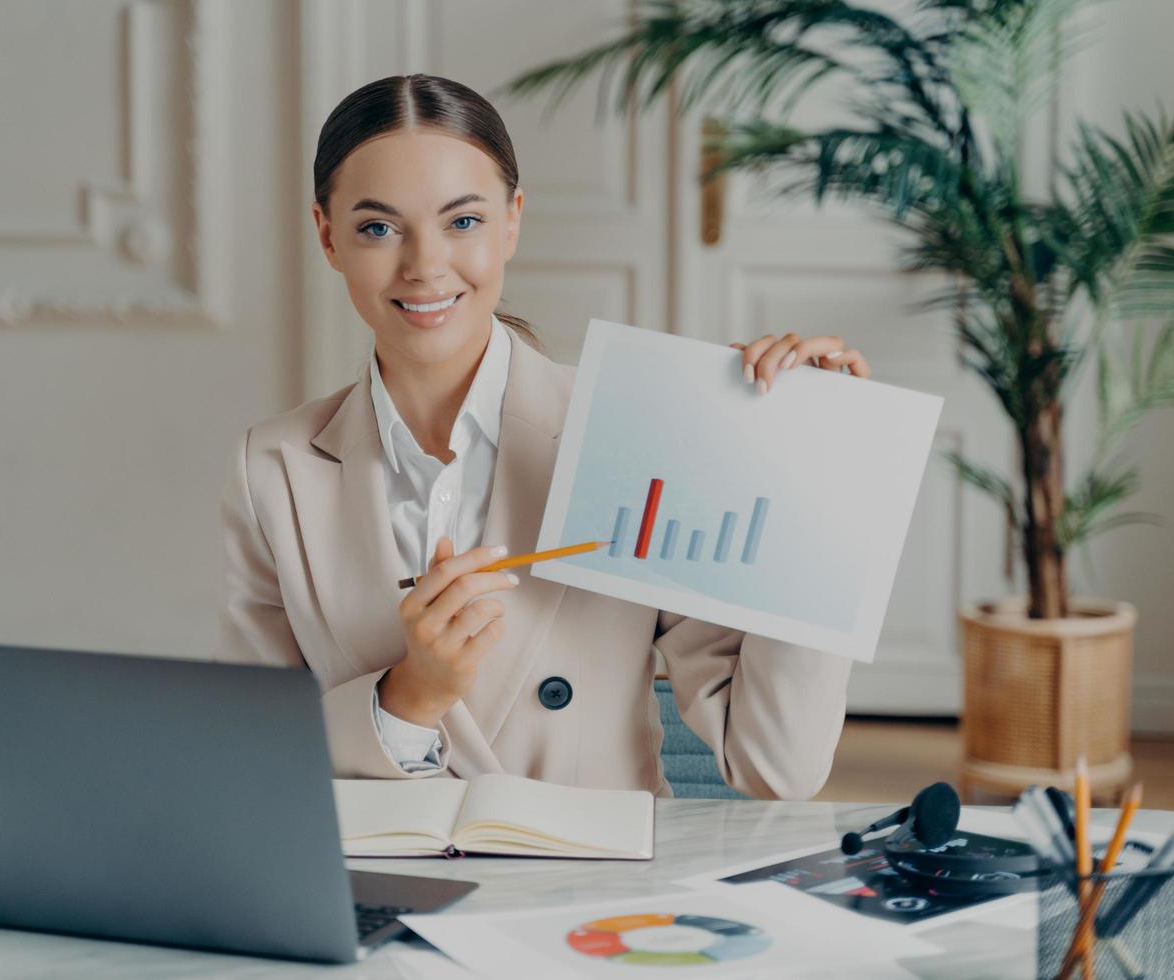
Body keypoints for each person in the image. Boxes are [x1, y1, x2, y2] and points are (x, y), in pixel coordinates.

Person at [217, 74, 868, 800]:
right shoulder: (274, 470)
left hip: (590, 898)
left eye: (463, 221)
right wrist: (408, 698)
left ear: (513, 221)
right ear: (327, 234)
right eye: (378, 227)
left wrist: (816, 475)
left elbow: (776, 766)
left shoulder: (637, 430)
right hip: (379, 891)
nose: (425, 266)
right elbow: (253, 756)